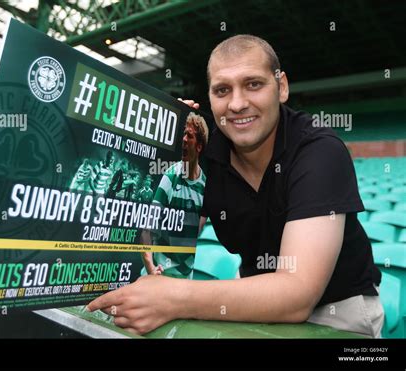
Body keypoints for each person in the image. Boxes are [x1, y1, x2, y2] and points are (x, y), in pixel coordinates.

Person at [87, 35, 384, 338]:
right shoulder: (204, 155)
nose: (238, 104)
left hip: (336, 311)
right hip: (250, 297)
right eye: (222, 90)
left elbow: (297, 294)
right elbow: (160, 235)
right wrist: (161, 143)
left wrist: (175, 297)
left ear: (281, 87)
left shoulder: (320, 150)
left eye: (253, 84)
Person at [141, 112, 208, 278]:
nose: (184, 139)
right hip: (159, 273)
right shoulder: (170, 177)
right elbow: (146, 230)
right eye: (184, 134)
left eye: (190, 136)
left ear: (199, 146)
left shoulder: (205, 188)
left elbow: (199, 237)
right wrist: (150, 267)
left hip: (185, 278)